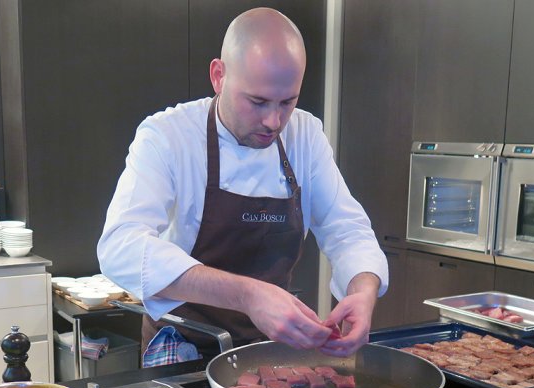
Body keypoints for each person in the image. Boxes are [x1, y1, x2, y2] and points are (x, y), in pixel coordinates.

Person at [97, 7, 387, 360]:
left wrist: (363, 291)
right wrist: (248, 295)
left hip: (270, 344)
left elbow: (347, 229)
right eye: (257, 101)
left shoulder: (305, 135)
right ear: (219, 76)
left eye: (288, 102)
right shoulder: (167, 136)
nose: (273, 120)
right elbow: (120, 247)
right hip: (185, 340)